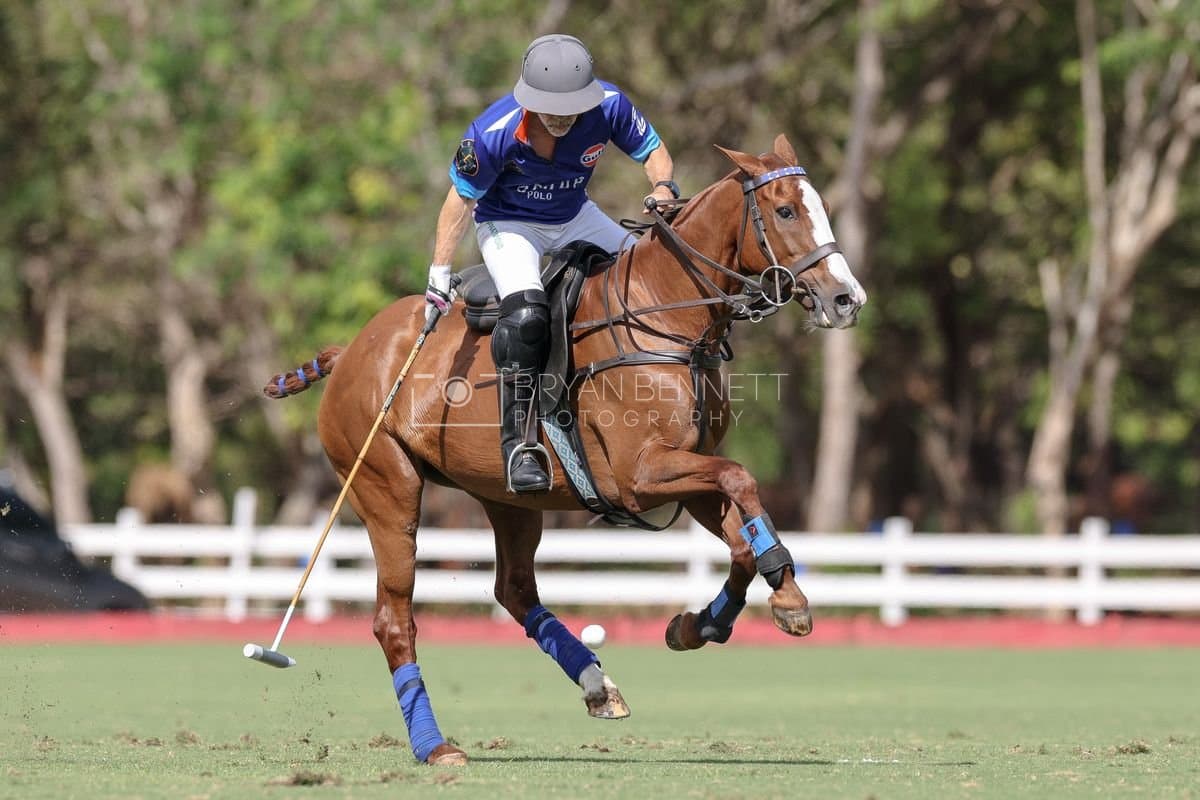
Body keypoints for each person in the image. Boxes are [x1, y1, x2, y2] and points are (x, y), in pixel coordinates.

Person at [423, 34, 678, 494]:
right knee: (526, 317)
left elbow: (654, 153)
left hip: (574, 215)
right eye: (550, 110)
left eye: (570, 110)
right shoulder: (492, 132)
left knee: (650, 279)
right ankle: (520, 445)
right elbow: (460, 201)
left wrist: (663, 187)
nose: (560, 119)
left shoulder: (611, 106)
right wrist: (439, 273)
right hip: (508, 223)